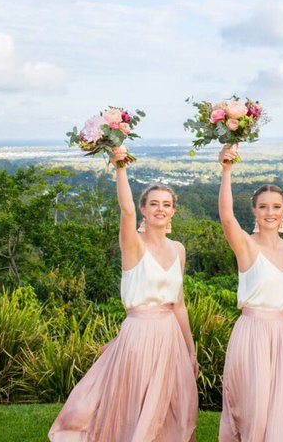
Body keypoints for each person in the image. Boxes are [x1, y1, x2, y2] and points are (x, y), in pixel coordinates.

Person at [48, 147, 198, 442]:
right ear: (143, 209)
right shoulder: (133, 245)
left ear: (173, 211)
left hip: (170, 335)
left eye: (166, 204)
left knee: (174, 405)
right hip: (139, 334)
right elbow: (126, 211)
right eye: (153, 204)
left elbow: (179, 304)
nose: (160, 209)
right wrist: (120, 167)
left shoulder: (178, 249)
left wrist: (190, 351)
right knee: (138, 400)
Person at [217, 144, 283, 442]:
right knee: (253, 410)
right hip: (253, 334)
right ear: (254, 210)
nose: (270, 212)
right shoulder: (246, 246)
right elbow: (227, 218)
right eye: (263, 206)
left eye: (276, 207)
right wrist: (226, 170)